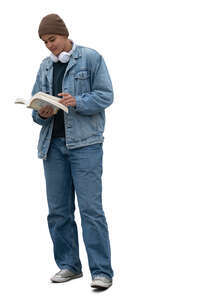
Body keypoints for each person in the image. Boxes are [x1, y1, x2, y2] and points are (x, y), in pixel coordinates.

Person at [31, 13, 114, 290]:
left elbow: (105, 95)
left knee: (91, 210)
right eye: (44, 42)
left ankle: (101, 271)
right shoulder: (44, 67)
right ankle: (69, 265)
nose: (49, 46)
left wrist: (78, 101)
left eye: (52, 39)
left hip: (85, 146)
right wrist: (42, 112)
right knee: (58, 211)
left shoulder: (91, 58)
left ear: (64, 34)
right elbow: (36, 113)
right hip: (53, 146)